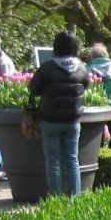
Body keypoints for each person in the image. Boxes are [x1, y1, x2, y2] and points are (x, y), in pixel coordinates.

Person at [28, 31, 89, 197]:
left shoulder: (47, 68)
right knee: (72, 159)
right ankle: (74, 196)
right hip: (73, 120)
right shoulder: (82, 68)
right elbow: (85, 86)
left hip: (50, 120)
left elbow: (34, 89)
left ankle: (55, 197)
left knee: (53, 160)